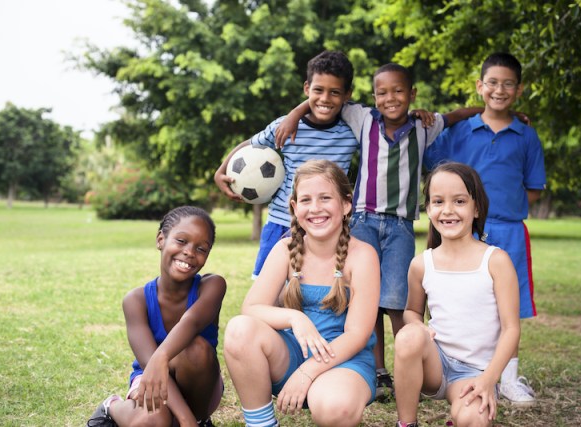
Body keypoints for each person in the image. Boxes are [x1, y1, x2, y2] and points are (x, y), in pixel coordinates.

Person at [275, 63, 483, 401]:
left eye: (399, 91)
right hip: (363, 219)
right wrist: (293, 115)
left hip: (400, 224)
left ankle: (408, 367)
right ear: (373, 97)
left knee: (397, 300)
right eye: (383, 92)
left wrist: (501, 111)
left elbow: (458, 114)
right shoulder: (363, 118)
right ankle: (378, 368)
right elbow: (325, 98)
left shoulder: (423, 126)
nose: (391, 98)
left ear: (412, 94)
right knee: (365, 298)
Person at [424, 52, 546, 406]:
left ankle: (507, 378)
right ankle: (454, 368)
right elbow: (434, 165)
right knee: (466, 299)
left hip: (508, 230)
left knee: (511, 303)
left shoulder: (526, 135)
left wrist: (504, 206)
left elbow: (534, 186)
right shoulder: (461, 130)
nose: (499, 89)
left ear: (519, 90)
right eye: (492, 82)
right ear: (480, 86)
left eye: (508, 83)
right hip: (465, 229)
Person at [223, 159, 380, 427]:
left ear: (346, 204)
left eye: (325, 198)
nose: (315, 208)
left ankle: (329, 394)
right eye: (306, 200)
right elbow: (251, 308)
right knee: (239, 329)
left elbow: (357, 335)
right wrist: (296, 319)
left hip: (343, 361)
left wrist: (308, 372)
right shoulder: (285, 249)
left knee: (335, 409)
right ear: (295, 208)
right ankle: (261, 424)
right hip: (292, 354)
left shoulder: (362, 256)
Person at [393, 162, 521, 427]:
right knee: (408, 336)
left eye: (459, 201)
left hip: (475, 372)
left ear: (476, 208)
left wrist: (489, 379)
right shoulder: (422, 263)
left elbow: (511, 330)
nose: (448, 210)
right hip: (434, 365)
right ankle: (406, 424)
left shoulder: (496, 261)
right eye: (438, 201)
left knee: (473, 420)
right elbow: (412, 312)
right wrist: (417, 327)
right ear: (428, 209)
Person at [213, 50, 359, 279]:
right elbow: (251, 144)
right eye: (318, 90)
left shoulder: (352, 131)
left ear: (347, 94)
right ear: (306, 88)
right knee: (269, 292)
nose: (325, 98)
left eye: (335, 92)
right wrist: (220, 172)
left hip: (326, 227)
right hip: (282, 223)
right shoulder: (286, 126)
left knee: (316, 290)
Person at [86, 206, 226, 427]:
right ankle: (112, 406)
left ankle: (197, 420)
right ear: (161, 239)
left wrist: (161, 355)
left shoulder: (212, 286)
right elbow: (149, 362)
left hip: (198, 383)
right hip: (152, 376)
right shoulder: (136, 300)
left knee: (196, 349)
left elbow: (192, 321)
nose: (190, 252)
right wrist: (185, 419)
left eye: (201, 248)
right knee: (155, 419)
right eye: (181, 241)